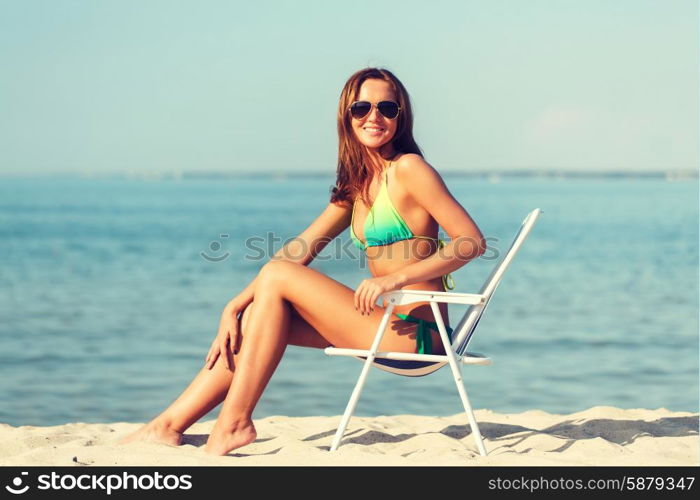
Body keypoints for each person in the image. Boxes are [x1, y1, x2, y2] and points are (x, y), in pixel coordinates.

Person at [119, 67, 486, 456]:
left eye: (386, 108)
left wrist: (392, 281)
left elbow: (471, 242)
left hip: (418, 335)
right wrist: (235, 304)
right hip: (385, 326)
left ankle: (234, 423)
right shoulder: (358, 184)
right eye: (362, 107)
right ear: (347, 116)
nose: (373, 117)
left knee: (277, 278)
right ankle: (168, 426)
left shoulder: (410, 170)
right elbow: (299, 250)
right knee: (254, 319)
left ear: (401, 116)